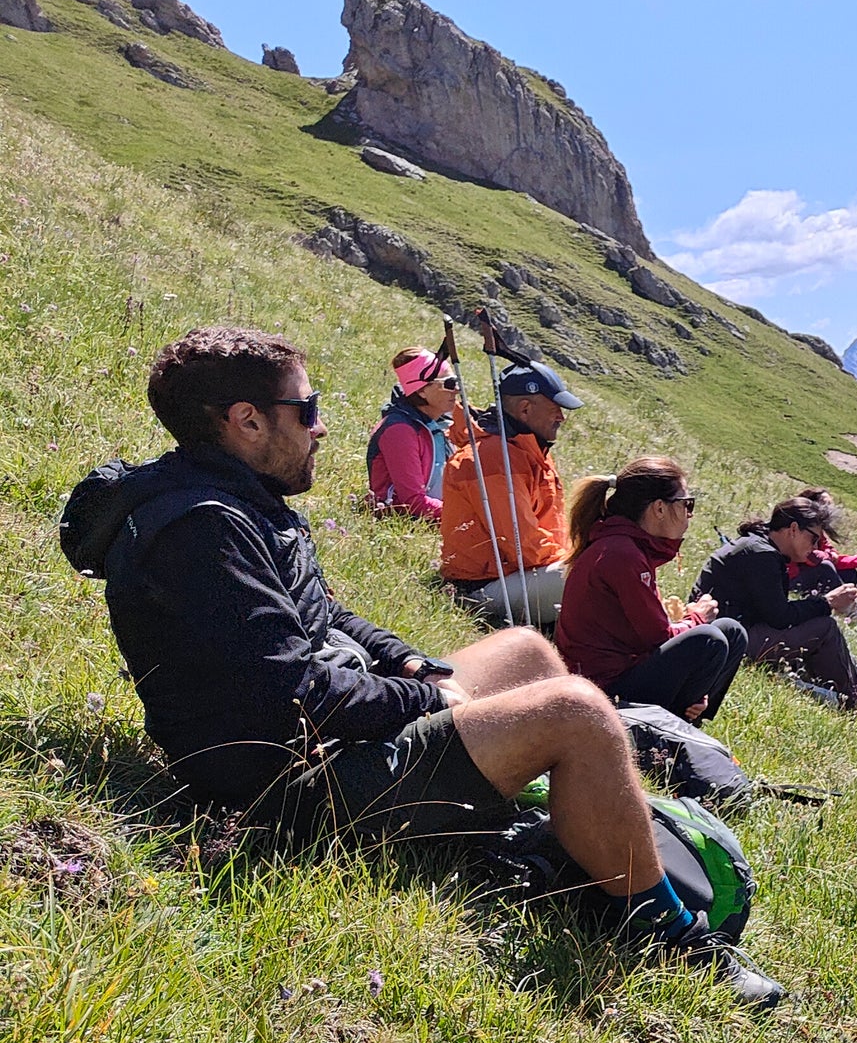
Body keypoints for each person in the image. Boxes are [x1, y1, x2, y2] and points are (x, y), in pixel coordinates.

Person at [70, 326, 778, 1003]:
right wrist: (434, 704)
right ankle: (669, 935)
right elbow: (291, 692)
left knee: (530, 651)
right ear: (246, 420)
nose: (319, 426)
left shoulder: (236, 500)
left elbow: (325, 619)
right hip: (283, 791)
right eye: (306, 408)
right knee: (578, 713)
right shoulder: (203, 531)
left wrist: (413, 665)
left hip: (323, 739)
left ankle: (537, 811)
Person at [555, 458, 747, 724]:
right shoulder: (623, 555)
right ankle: (668, 732)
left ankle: (690, 719)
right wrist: (697, 617)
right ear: (659, 508)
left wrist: (700, 685)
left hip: (623, 671)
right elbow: (657, 637)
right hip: (602, 691)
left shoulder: (627, 547)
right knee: (710, 638)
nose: (689, 513)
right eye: (686, 504)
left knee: (732, 632)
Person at [693, 488, 857, 708]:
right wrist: (827, 602)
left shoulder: (758, 546)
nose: (814, 548)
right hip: (728, 639)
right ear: (793, 529)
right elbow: (780, 617)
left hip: (723, 632)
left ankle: (840, 689)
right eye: (813, 539)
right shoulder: (762, 555)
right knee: (825, 627)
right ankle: (854, 701)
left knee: (816, 624)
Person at [441, 359, 581, 627]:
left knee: (602, 568)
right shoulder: (493, 457)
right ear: (525, 409)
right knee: (595, 573)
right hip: (483, 588)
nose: (562, 418)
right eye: (556, 409)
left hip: (520, 576)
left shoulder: (528, 450)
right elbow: (521, 544)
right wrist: (574, 561)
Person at [364, 347, 455, 519]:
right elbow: (413, 503)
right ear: (422, 391)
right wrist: (467, 515)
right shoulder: (399, 432)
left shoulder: (444, 422)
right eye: (449, 383)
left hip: (442, 517)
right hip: (410, 523)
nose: (457, 389)